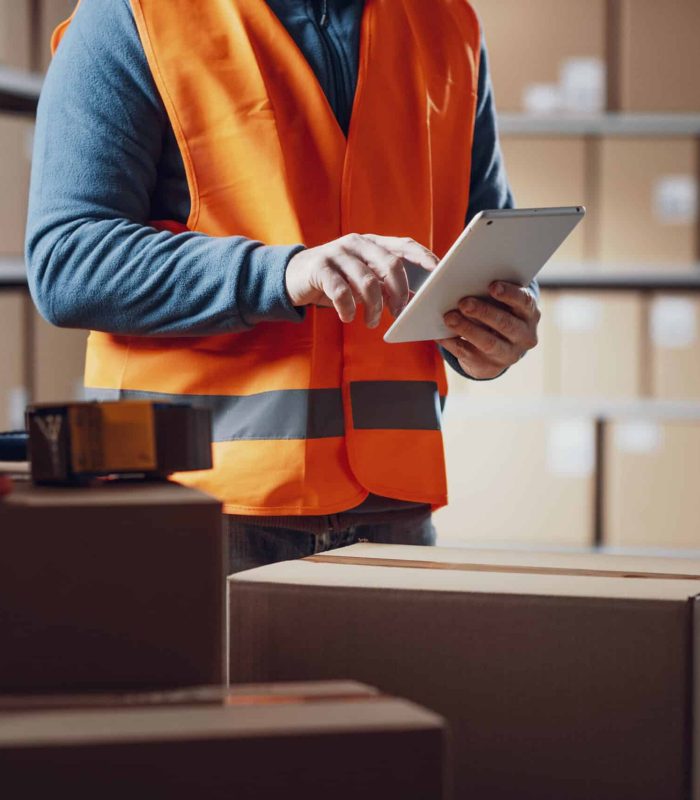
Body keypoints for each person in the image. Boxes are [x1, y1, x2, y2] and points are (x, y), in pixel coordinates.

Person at [26, 0, 540, 572]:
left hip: (394, 510)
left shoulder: (447, 22)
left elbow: (480, 246)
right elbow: (67, 261)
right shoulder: (135, 13)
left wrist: (495, 328)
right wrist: (284, 275)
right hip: (192, 506)